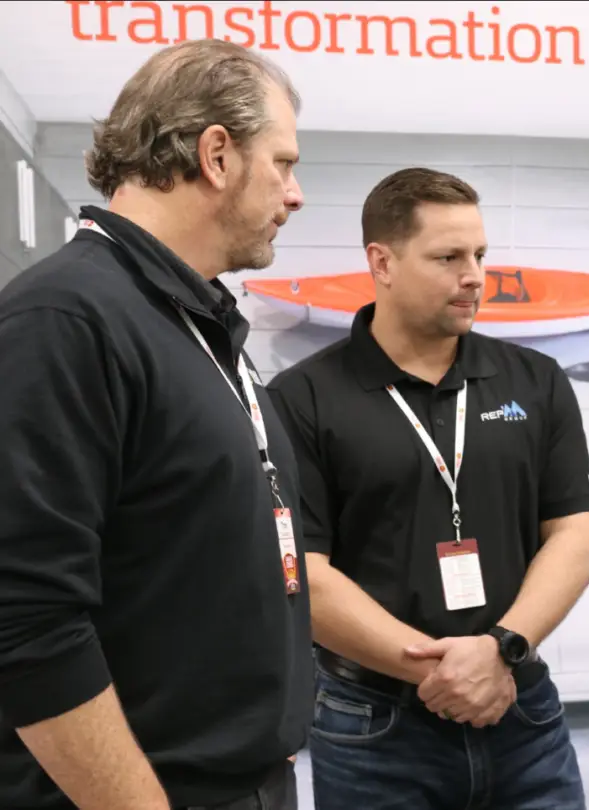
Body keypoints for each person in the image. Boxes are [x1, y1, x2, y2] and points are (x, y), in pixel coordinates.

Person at [0, 39, 312, 810]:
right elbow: (25, 621)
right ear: (216, 155)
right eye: (283, 162)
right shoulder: (65, 320)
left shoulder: (192, 319)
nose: (295, 192)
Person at [266, 167, 589, 809]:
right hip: (374, 727)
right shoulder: (303, 398)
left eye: (479, 255)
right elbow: (305, 571)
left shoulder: (535, 381)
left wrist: (500, 652)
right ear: (382, 262)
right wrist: (446, 673)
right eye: (448, 257)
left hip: (522, 714)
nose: (473, 275)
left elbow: (572, 536)